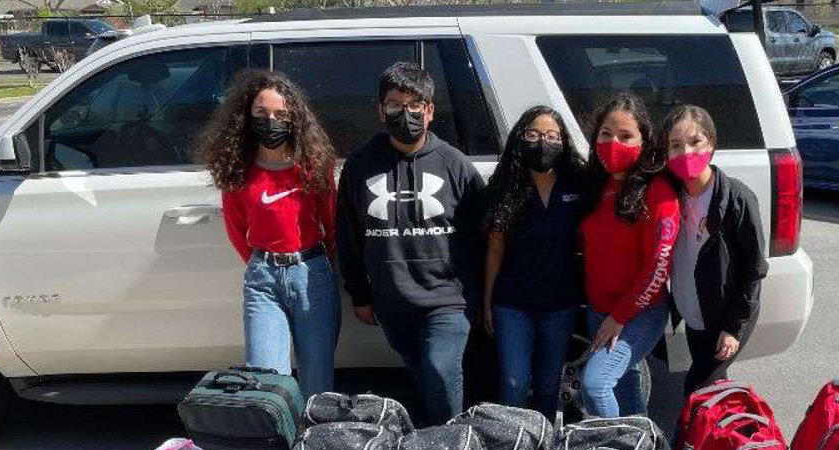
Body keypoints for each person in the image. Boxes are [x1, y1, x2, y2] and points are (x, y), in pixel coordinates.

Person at [336, 62, 485, 425]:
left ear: (430, 111)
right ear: (380, 110)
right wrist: (361, 294)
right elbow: (348, 236)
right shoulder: (360, 165)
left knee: (439, 371)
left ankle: (454, 447)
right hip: (392, 301)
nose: (405, 114)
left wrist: (480, 296)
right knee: (422, 375)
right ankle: (427, 449)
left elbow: (482, 235)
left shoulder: (455, 164)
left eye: (414, 106)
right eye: (394, 106)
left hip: (447, 299)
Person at [199, 69, 339, 398]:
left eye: (281, 114)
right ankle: (276, 448)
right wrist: (266, 263)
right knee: (265, 381)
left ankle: (314, 447)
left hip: (311, 273)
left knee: (317, 381)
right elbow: (236, 229)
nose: (271, 121)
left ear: (294, 119)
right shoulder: (237, 169)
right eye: (261, 113)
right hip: (263, 280)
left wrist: (317, 265)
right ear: (246, 117)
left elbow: (332, 226)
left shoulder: (313, 164)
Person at [578, 92, 680, 418]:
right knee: (626, 392)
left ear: (643, 140)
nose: (613, 143)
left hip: (638, 312)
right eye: (606, 134)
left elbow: (658, 267)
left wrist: (620, 315)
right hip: (599, 309)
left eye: (625, 136)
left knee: (595, 385)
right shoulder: (596, 185)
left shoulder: (657, 192)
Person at [482, 106, 585, 418]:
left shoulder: (577, 185)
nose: (543, 142)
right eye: (534, 135)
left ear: (564, 141)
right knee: (514, 383)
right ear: (519, 139)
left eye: (552, 136)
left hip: (560, 304)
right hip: (513, 304)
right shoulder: (506, 187)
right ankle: (511, 449)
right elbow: (495, 249)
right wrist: (487, 302)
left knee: (547, 387)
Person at [661, 105, 768, 394]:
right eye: (675, 145)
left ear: (710, 142)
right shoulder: (668, 195)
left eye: (695, 141)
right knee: (712, 389)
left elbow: (753, 269)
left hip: (723, 316)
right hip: (693, 315)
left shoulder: (736, 198)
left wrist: (734, 328)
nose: (686, 152)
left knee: (697, 390)